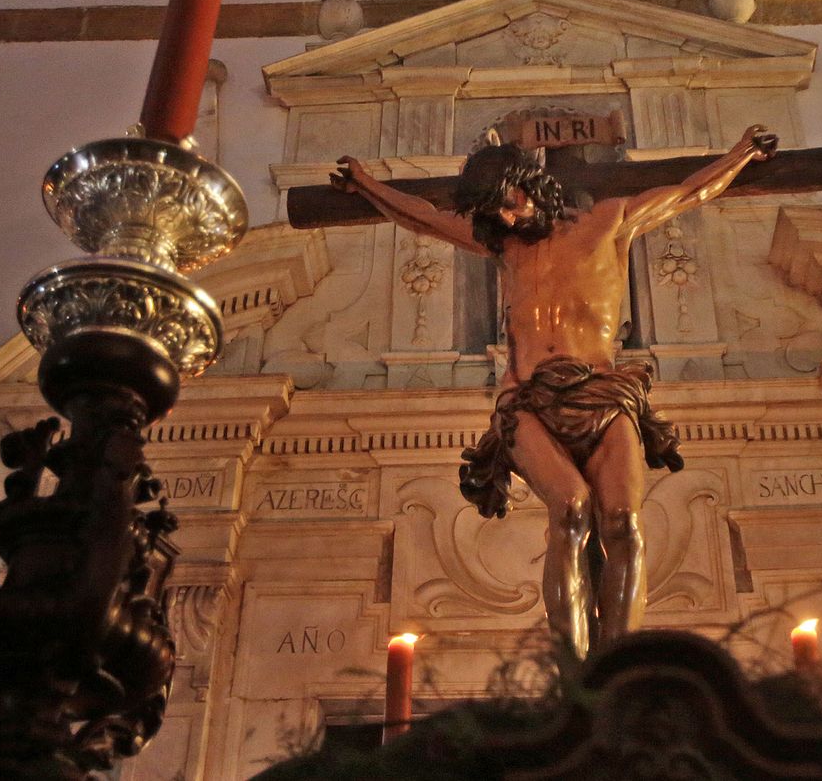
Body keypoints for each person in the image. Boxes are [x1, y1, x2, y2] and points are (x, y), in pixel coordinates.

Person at [331, 125, 776, 656]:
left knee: (623, 524)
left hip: (604, 396)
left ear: (532, 184)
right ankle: (572, 671)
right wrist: (364, 182)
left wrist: (741, 153)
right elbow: (421, 217)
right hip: (527, 403)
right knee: (570, 507)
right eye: (495, 213)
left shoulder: (610, 221)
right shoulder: (504, 246)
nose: (507, 218)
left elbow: (688, 192)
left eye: (510, 205)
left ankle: (617, 665)